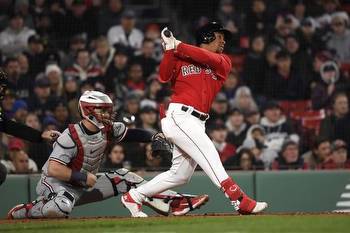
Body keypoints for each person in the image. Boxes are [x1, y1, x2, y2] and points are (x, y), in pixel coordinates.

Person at [121, 22, 267, 217]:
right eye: (219, 36)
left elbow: (205, 57)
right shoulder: (180, 55)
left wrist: (177, 45)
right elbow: (164, 77)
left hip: (197, 121)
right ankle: (238, 200)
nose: (223, 41)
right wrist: (170, 50)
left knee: (179, 175)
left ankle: (134, 196)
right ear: (206, 37)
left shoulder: (223, 61)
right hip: (179, 116)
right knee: (210, 154)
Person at [8, 90, 208, 219]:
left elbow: (131, 134)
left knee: (126, 178)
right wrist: (83, 176)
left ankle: (176, 201)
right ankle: (25, 211)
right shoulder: (71, 134)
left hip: (86, 185)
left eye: (107, 110)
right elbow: (54, 168)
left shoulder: (108, 128)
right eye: (102, 110)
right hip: (55, 184)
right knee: (59, 208)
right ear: (88, 111)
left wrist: (153, 136)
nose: (107, 114)